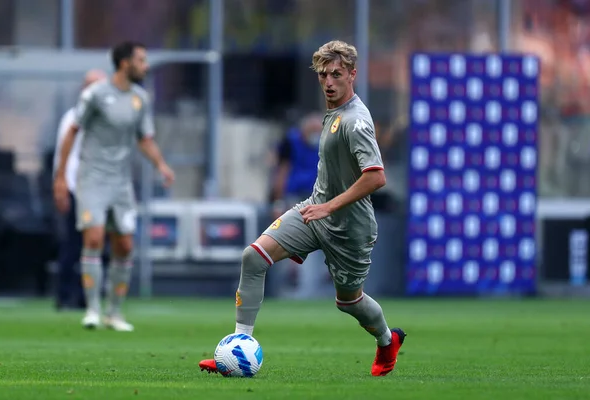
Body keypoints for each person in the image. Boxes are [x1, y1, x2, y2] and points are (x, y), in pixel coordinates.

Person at [199, 40, 406, 376]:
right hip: (313, 210)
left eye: (336, 74)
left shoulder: (356, 122)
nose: (328, 81)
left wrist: (330, 208)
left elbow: (376, 177)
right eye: (323, 74)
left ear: (352, 74)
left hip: (349, 226)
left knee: (349, 302)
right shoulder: (332, 112)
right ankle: (239, 346)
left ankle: (387, 340)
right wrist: (320, 206)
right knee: (253, 257)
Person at [53, 41, 175, 331]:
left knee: (125, 245)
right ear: (125, 63)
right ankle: (92, 309)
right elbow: (72, 131)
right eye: (142, 61)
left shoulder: (139, 99)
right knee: (93, 239)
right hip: (92, 178)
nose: (146, 66)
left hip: (121, 182)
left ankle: (114, 313)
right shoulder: (96, 94)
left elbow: (144, 138)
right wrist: (60, 177)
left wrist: (161, 165)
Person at [53, 69, 107, 311]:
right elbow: (63, 156)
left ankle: (90, 297)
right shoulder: (72, 118)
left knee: (99, 246)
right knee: (73, 246)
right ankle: (65, 296)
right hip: (78, 190)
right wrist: (61, 183)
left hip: (103, 192)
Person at [270, 112, 330, 299]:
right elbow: (282, 171)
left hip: (320, 195)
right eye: (312, 130)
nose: (315, 135)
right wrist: (278, 201)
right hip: (295, 195)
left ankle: (330, 268)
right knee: (292, 232)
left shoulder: (327, 144)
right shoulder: (291, 143)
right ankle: (293, 271)